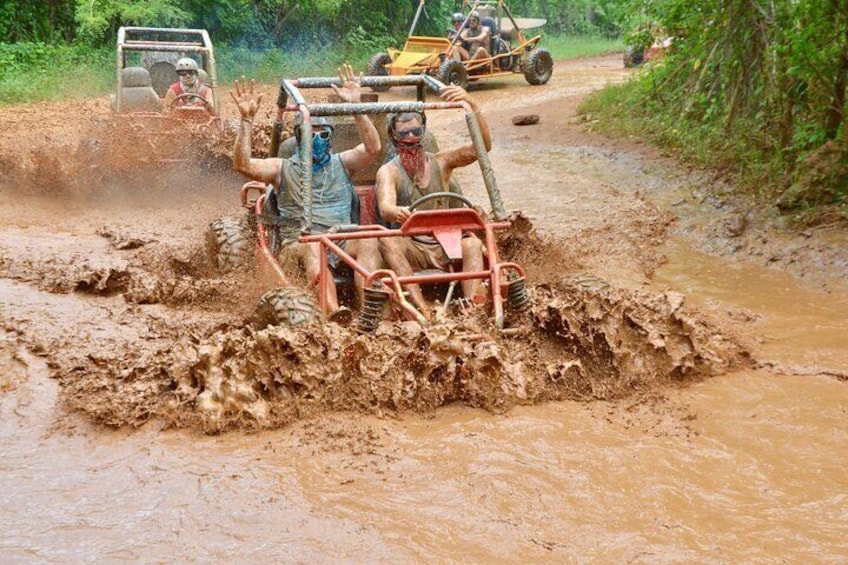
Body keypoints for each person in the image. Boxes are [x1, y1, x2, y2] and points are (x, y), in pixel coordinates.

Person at [231, 64, 382, 319]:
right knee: (315, 247)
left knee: (368, 239)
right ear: (299, 136)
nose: (318, 139)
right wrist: (246, 120)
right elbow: (243, 165)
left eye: (324, 134)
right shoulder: (282, 168)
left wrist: (356, 108)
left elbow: (372, 148)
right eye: (312, 132)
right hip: (300, 244)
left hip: (341, 237)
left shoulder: (342, 163)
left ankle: (370, 309)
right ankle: (335, 312)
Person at [375, 85, 492, 319]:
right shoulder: (389, 171)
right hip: (413, 245)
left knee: (471, 243)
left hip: (446, 242)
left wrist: (472, 105)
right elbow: (385, 207)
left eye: (416, 131)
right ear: (394, 137)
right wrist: (396, 211)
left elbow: (483, 148)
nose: (411, 138)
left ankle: (473, 309)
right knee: (387, 240)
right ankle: (420, 308)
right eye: (404, 134)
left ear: (423, 131)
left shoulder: (442, 162)